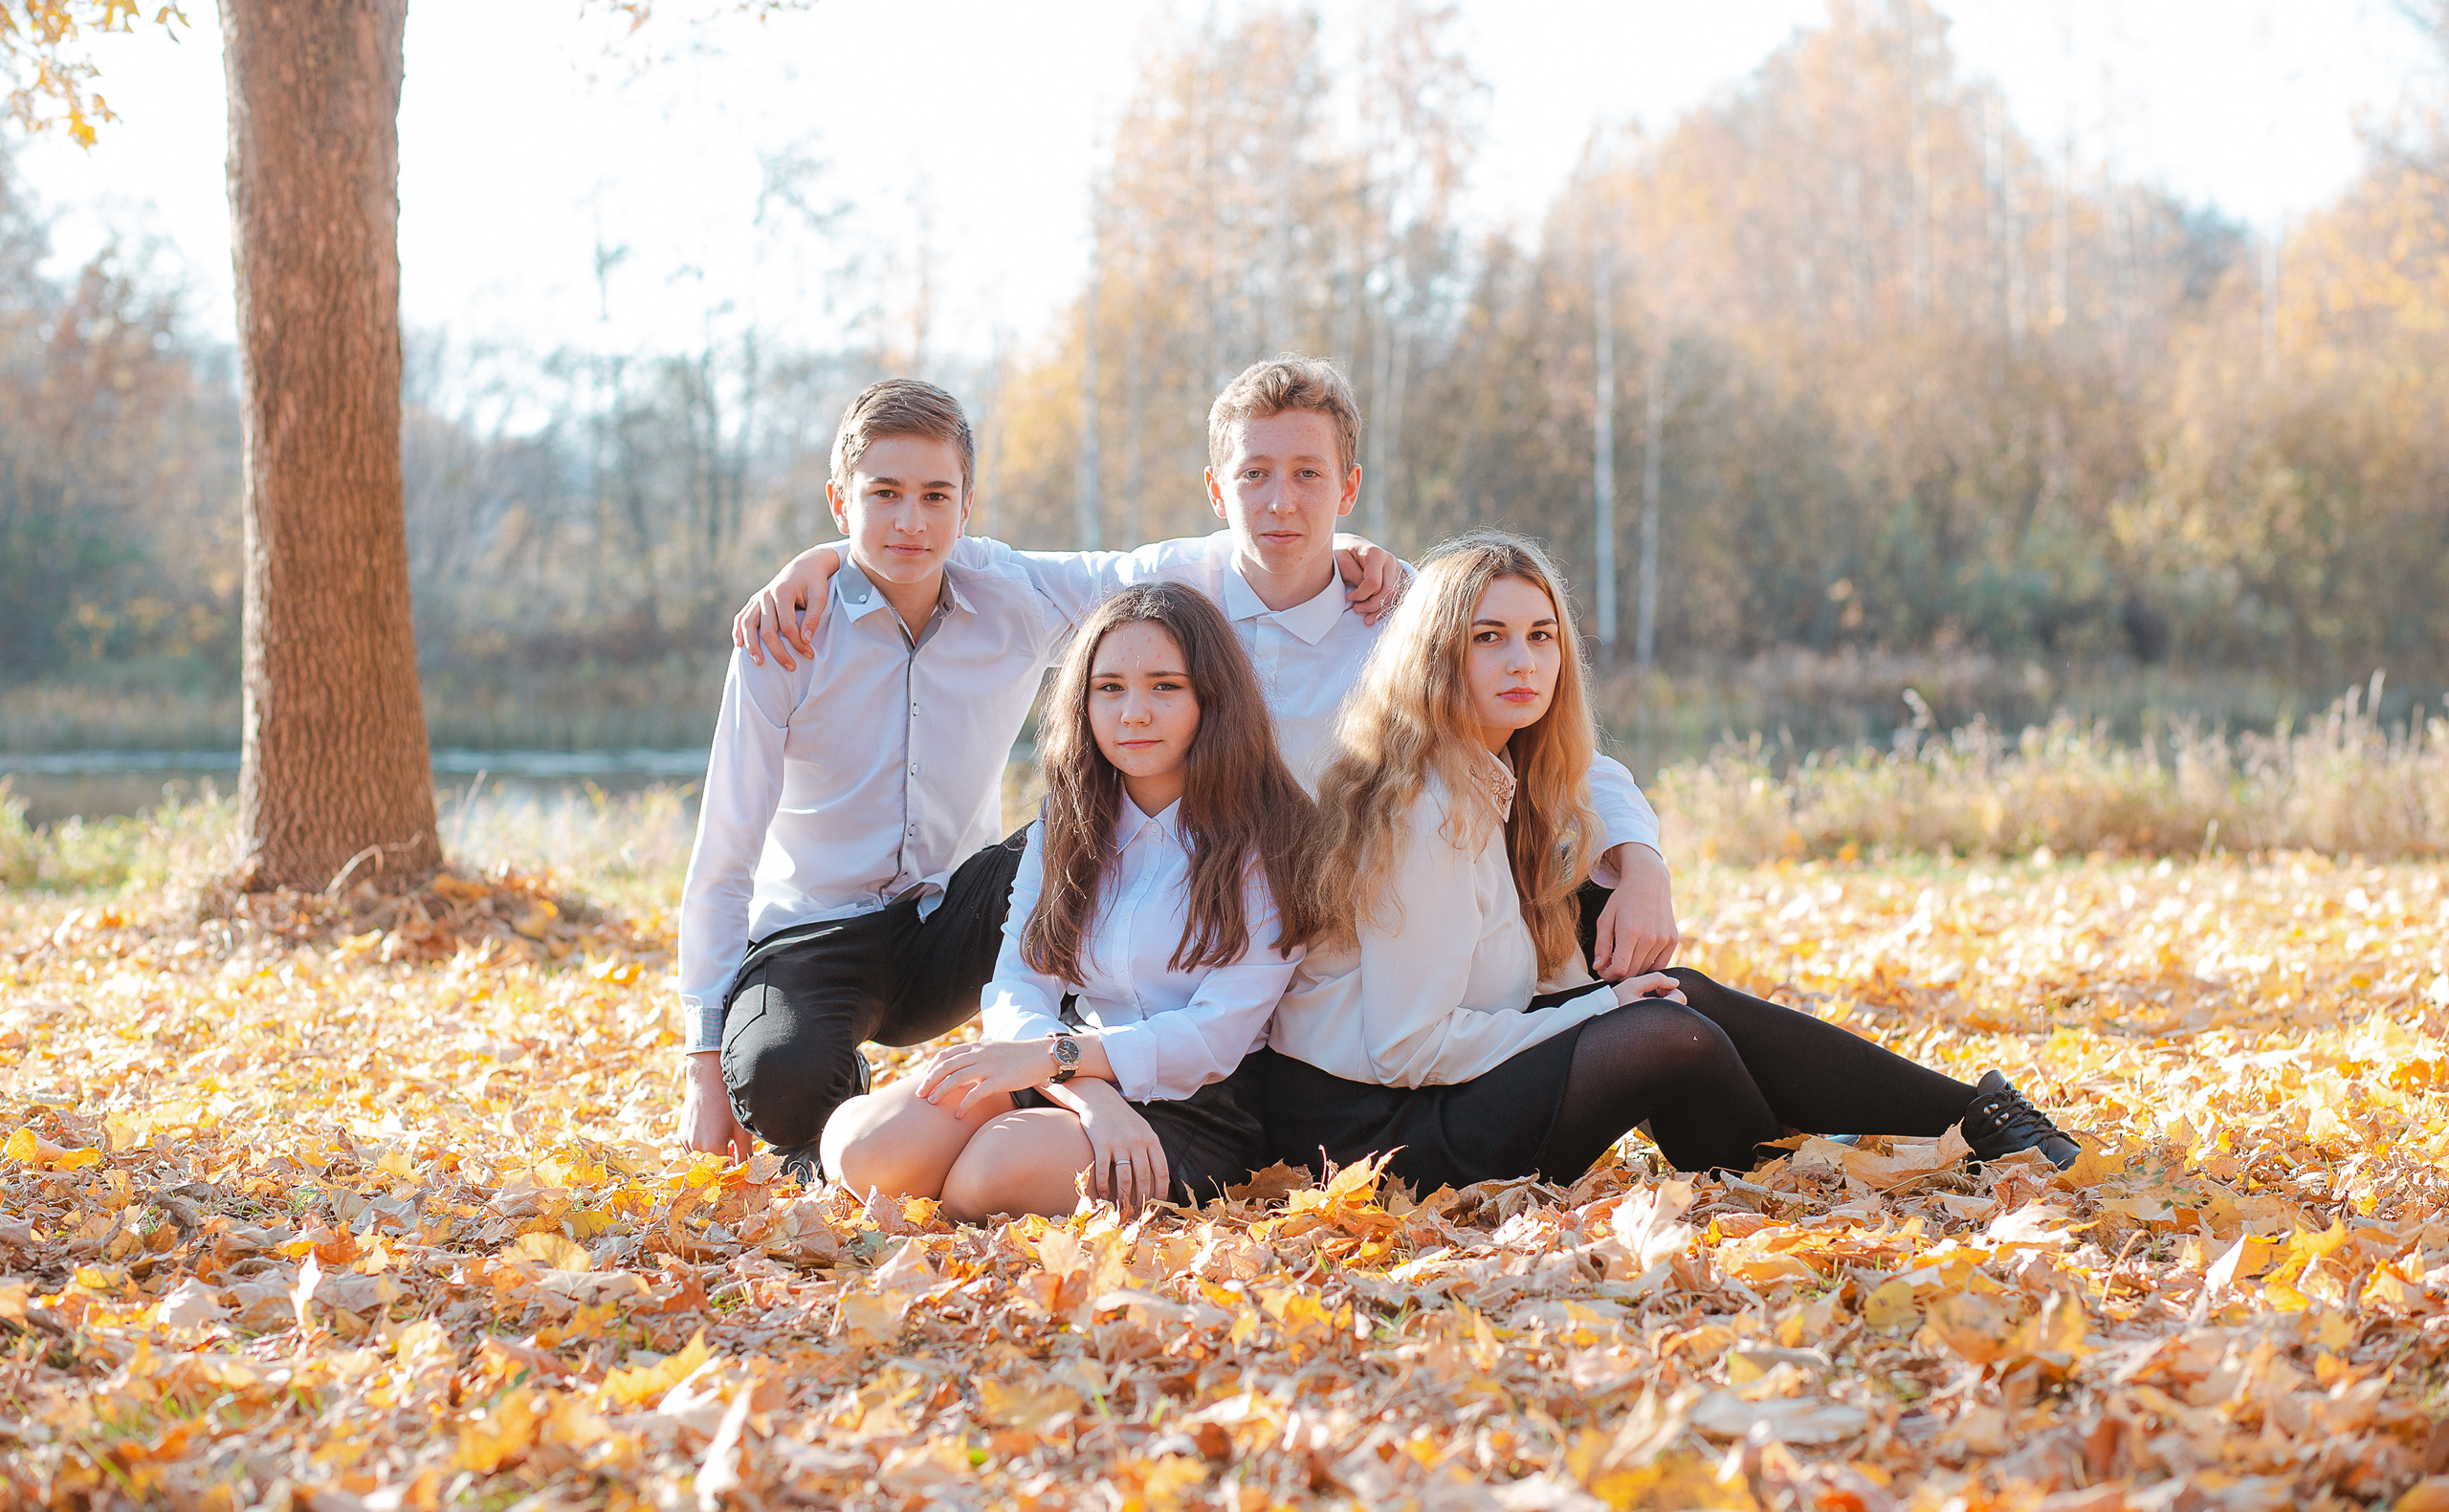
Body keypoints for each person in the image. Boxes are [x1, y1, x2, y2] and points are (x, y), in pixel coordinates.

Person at [736, 356, 1682, 982]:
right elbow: (965, 558)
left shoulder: (1396, 611)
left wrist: (1643, 866)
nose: (1281, 501)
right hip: (1234, 944)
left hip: (1406, 921)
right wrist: (822, 561)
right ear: (1215, 488)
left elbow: (1552, 743)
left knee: (1661, 984)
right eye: (1255, 475)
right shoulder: (1162, 588)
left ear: (1347, 487)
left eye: (1309, 475)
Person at [675, 379, 1397, 1173]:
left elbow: (1184, 585)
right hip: (819, 933)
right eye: (884, 495)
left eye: (934, 495)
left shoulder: (1010, 594)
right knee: (788, 1085)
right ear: (842, 504)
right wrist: (701, 1062)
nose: (911, 520)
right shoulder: (789, 633)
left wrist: (1352, 553)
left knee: (1067, 842)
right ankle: (875, 1096)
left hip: (955, 916)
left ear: (966, 503)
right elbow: (723, 855)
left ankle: (1054, 1074)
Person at [1267, 532, 2082, 1193]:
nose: (1523, 661)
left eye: (1540, 636)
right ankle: (1824, 1143)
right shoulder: (1425, 808)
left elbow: (1599, 787)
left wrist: (1637, 892)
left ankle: (1971, 1117)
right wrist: (1600, 1009)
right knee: (1663, 1034)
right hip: (1378, 1137)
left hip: (1432, 1089)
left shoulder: (1491, 772)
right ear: (1437, 656)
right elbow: (1409, 1048)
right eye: (1490, 638)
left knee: (1670, 1001)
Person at [819, 582, 1310, 1219]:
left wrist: (1064, 1065)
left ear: (1211, 699)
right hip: (1063, 1066)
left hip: (1196, 1103)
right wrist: (1080, 1084)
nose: (1133, 712)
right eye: (1110, 688)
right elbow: (1018, 980)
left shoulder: (1270, 839)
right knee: (866, 1147)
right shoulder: (1069, 824)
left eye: (1165, 686)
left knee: (988, 1177)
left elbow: (1213, 1036)